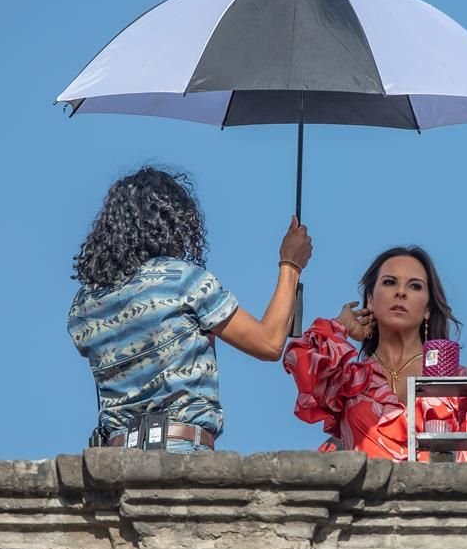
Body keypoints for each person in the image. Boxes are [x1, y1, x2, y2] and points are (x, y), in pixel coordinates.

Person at [67, 166, 312, 453]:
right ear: (172, 223)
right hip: (181, 449)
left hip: (117, 459)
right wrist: (290, 264)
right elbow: (269, 342)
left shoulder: (85, 305)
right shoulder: (183, 280)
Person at [283, 246, 467, 462]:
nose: (401, 292)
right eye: (389, 282)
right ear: (370, 300)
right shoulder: (349, 380)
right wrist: (340, 326)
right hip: (367, 494)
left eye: (415, 286)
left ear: (428, 308)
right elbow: (301, 357)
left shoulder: (457, 381)